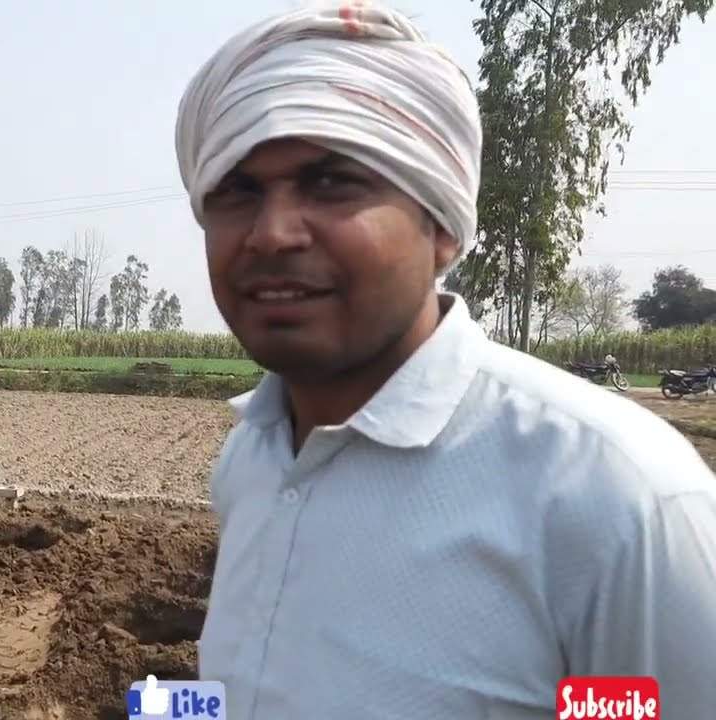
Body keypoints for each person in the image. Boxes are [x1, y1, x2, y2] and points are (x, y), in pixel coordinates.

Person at [174, 3, 716, 718]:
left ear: (442, 227)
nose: (272, 232)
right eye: (237, 190)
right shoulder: (251, 461)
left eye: (333, 183)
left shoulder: (617, 502)